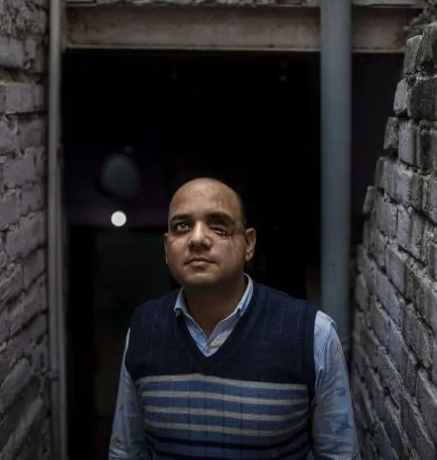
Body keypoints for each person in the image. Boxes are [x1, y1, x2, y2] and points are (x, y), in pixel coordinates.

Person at [108, 177, 360, 459]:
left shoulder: (312, 333)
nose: (198, 239)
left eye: (218, 226)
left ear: (248, 244)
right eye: (182, 226)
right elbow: (126, 451)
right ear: (167, 248)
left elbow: (339, 454)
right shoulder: (144, 328)